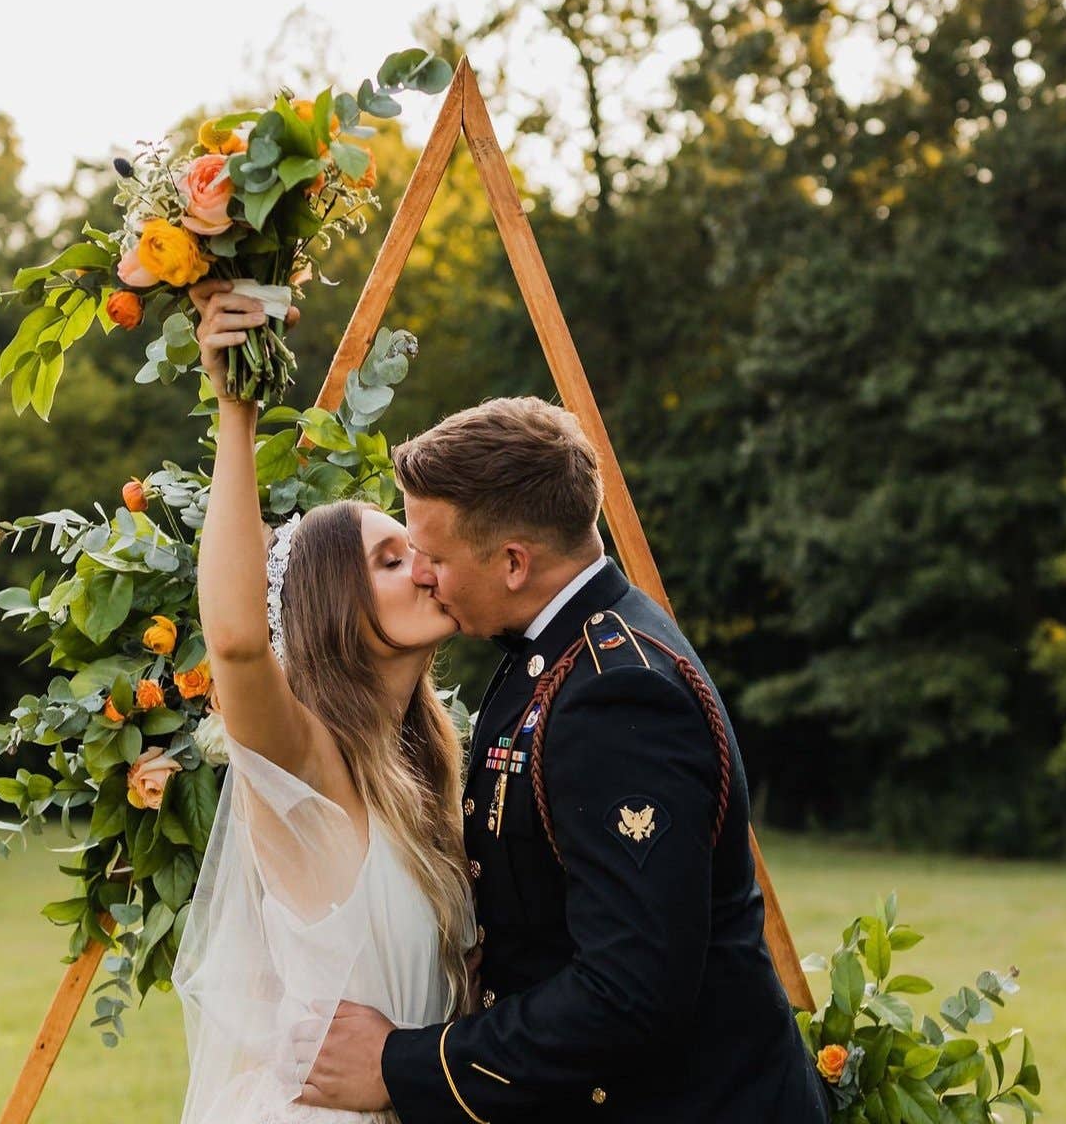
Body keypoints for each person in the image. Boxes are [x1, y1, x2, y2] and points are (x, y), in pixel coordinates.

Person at [296, 396, 830, 1122]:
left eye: (436, 555)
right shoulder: (562, 651)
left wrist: (403, 1064)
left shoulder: (619, 695)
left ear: (514, 562)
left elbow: (629, 990)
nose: (426, 575)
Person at [172, 279, 477, 1124]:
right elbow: (235, 641)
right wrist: (235, 407)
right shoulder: (309, 767)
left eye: (413, 548)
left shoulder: (425, 778)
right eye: (388, 559)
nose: (423, 564)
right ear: (333, 605)